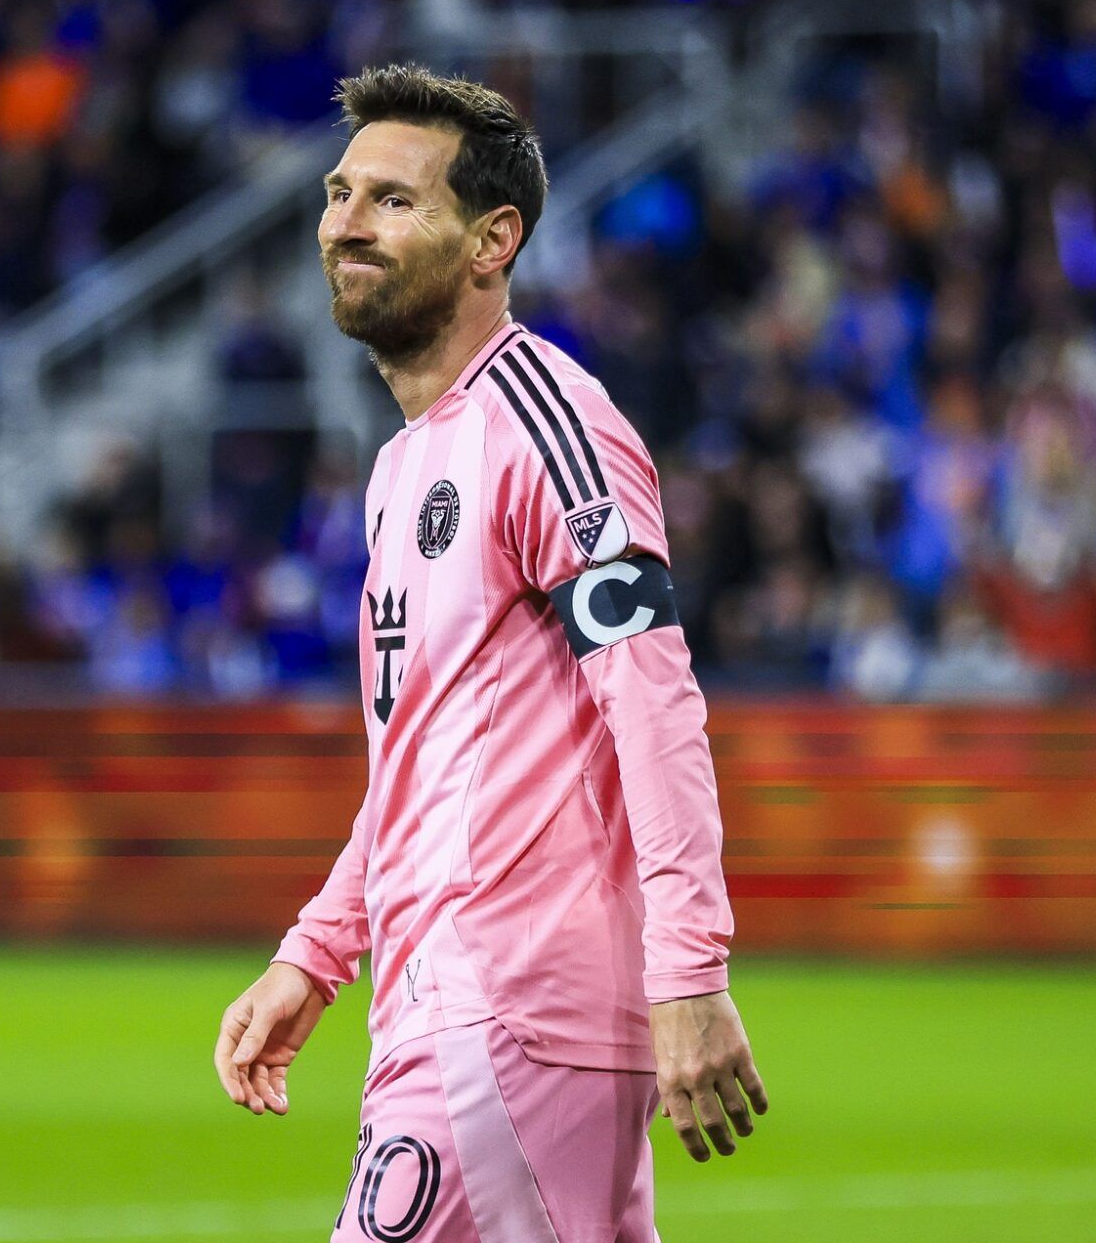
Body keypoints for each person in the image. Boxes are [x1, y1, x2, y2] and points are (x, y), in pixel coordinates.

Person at [211, 65, 769, 1241]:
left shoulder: (545, 421)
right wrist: (316, 954)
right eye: (339, 191)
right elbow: (424, 754)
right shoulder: (404, 464)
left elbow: (654, 699)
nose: (348, 221)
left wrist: (690, 968)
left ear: (491, 240)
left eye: (395, 200)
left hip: (506, 1013)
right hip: (449, 1009)